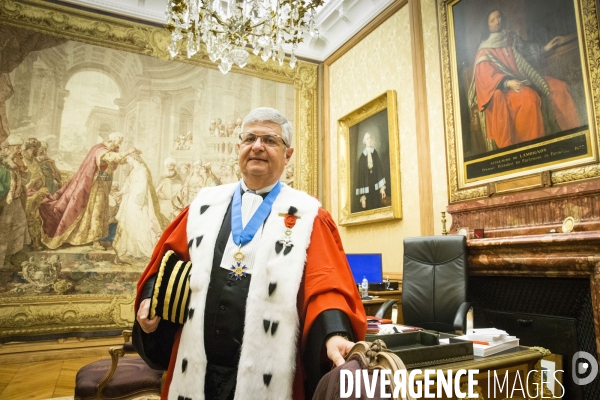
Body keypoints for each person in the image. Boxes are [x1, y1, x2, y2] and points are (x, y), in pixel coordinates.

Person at [134, 107, 366, 400]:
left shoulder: (308, 215)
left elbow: (325, 284)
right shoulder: (204, 205)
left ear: (288, 154)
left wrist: (334, 334)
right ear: (239, 148)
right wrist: (149, 300)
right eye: (250, 139)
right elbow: (166, 262)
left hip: (268, 370)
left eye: (270, 140)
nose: (257, 146)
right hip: (197, 365)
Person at [469, 9, 581, 149]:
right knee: (529, 99)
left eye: (498, 18)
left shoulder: (511, 38)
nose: (497, 22)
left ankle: (575, 135)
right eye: (492, 20)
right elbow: (485, 77)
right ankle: (533, 147)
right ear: (487, 26)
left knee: (560, 86)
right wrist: (508, 82)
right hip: (505, 89)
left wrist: (545, 48)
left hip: (528, 78)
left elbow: (528, 51)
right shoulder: (484, 50)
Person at [38, 132, 138, 250]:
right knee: (97, 211)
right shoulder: (100, 149)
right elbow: (110, 157)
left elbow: (119, 160)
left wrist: (132, 158)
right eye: (118, 143)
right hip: (96, 187)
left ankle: (93, 239)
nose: (119, 146)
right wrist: (128, 152)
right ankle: (95, 241)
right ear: (111, 141)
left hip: (104, 186)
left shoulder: (109, 150)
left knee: (99, 211)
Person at [113, 153, 168, 262]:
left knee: (140, 223)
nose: (127, 161)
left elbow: (143, 187)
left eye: (128, 158)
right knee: (130, 223)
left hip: (139, 201)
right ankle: (131, 250)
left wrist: (138, 200)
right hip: (130, 200)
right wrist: (120, 192)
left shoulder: (143, 170)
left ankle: (142, 250)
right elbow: (127, 184)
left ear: (134, 158)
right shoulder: (133, 170)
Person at [0, 136, 31, 267]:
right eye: (17, 147)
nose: (19, 150)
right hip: (5, 201)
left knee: (20, 225)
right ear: (9, 149)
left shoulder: (16, 162)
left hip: (15, 200)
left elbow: (24, 181)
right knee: (4, 230)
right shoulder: (3, 164)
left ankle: (11, 256)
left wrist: (22, 166)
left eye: (20, 147)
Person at [355, 132, 386, 211]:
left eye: (370, 138)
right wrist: (363, 198)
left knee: (377, 206)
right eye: (367, 139)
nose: (369, 140)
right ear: (364, 141)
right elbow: (361, 179)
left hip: (375, 185)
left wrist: (382, 189)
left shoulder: (374, 153)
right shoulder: (362, 158)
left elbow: (379, 170)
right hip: (367, 186)